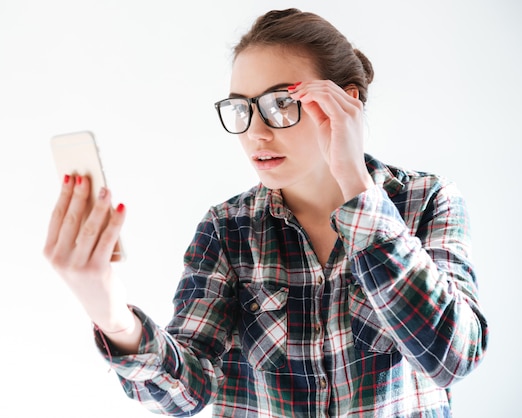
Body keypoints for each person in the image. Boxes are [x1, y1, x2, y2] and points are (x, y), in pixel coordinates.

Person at [43, 8, 489, 417]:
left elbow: (454, 357)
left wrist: (356, 185)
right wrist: (109, 311)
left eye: (281, 103)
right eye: (241, 108)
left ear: (346, 101)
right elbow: (187, 391)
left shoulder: (427, 201)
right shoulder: (227, 229)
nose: (255, 131)